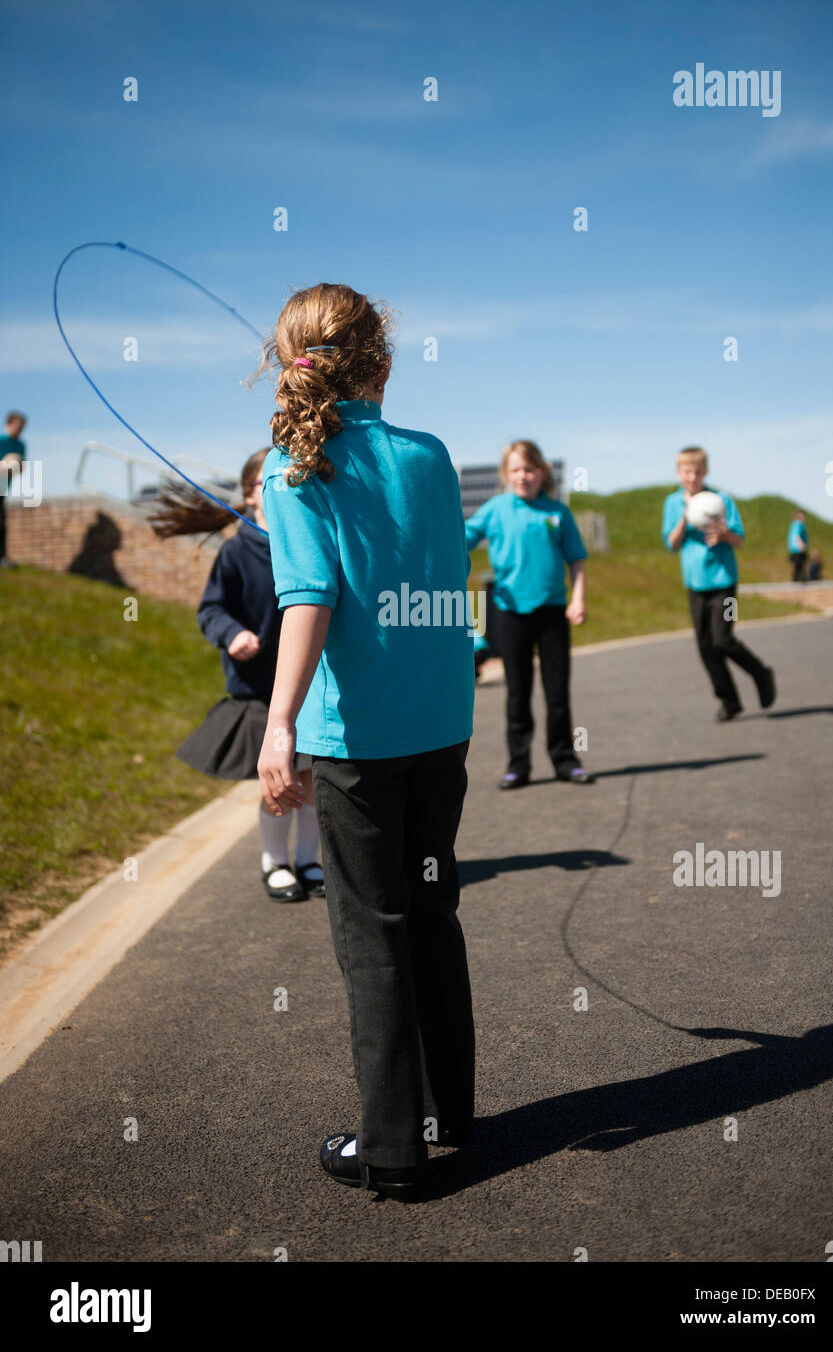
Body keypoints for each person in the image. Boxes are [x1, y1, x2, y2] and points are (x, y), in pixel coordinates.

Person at [255, 283, 476, 1202]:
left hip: (357, 739)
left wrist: (277, 722)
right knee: (431, 913)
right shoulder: (428, 455)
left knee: (371, 936)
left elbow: (309, 596)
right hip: (441, 722)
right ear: (381, 365)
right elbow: (433, 570)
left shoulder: (291, 466)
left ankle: (393, 1151)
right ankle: (445, 1111)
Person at [149, 449, 324, 902]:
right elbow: (211, 608)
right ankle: (276, 863)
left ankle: (308, 861)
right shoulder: (235, 552)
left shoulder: (306, 540)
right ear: (252, 495)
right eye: (277, 480)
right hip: (259, 692)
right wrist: (232, 634)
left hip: (308, 688)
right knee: (280, 782)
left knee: (308, 783)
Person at [465, 440, 593, 789]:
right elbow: (465, 536)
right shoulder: (495, 508)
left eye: (530, 469)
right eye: (516, 469)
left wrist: (577, 599)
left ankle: (566, 760)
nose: (523, 476)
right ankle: (518, 765)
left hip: (553, 612)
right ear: (507, 474)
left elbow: (576, 559)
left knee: (557, 692)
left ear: (542, 473)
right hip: (510, 612)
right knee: (517, 692)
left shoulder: (557, 513)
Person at [662, 445, 776, 721]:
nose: (693, 477)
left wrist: (724, 535)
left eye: (698, 471)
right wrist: (685, 519)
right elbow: (671, 544)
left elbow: (739, 540)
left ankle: (761, 673)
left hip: (725, 583)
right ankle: (730, 701)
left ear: (706, 472)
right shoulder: (673, 503)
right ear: (679, 473)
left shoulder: (721, 500)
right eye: (687, 472)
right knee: (705, 646)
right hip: (695, 585)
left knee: (723, 639)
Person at [0, 410, 27, 570]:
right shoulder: (1, 440)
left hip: (3, 488)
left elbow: (22, 467)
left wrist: (16, 466)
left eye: (22, 427)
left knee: (2, 523)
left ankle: (2, 557)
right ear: (9, 424)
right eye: (18, 426)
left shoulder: (20, 445)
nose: (20, 430)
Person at [787, 509, 809, 583]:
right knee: (800, 566)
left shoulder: (793, 524)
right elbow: (797, 536)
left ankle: (797, 581)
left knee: (797, 567)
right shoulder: (799, 524)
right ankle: (799, 581)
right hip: (798, 549)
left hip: (793, 549)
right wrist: (802, 545)